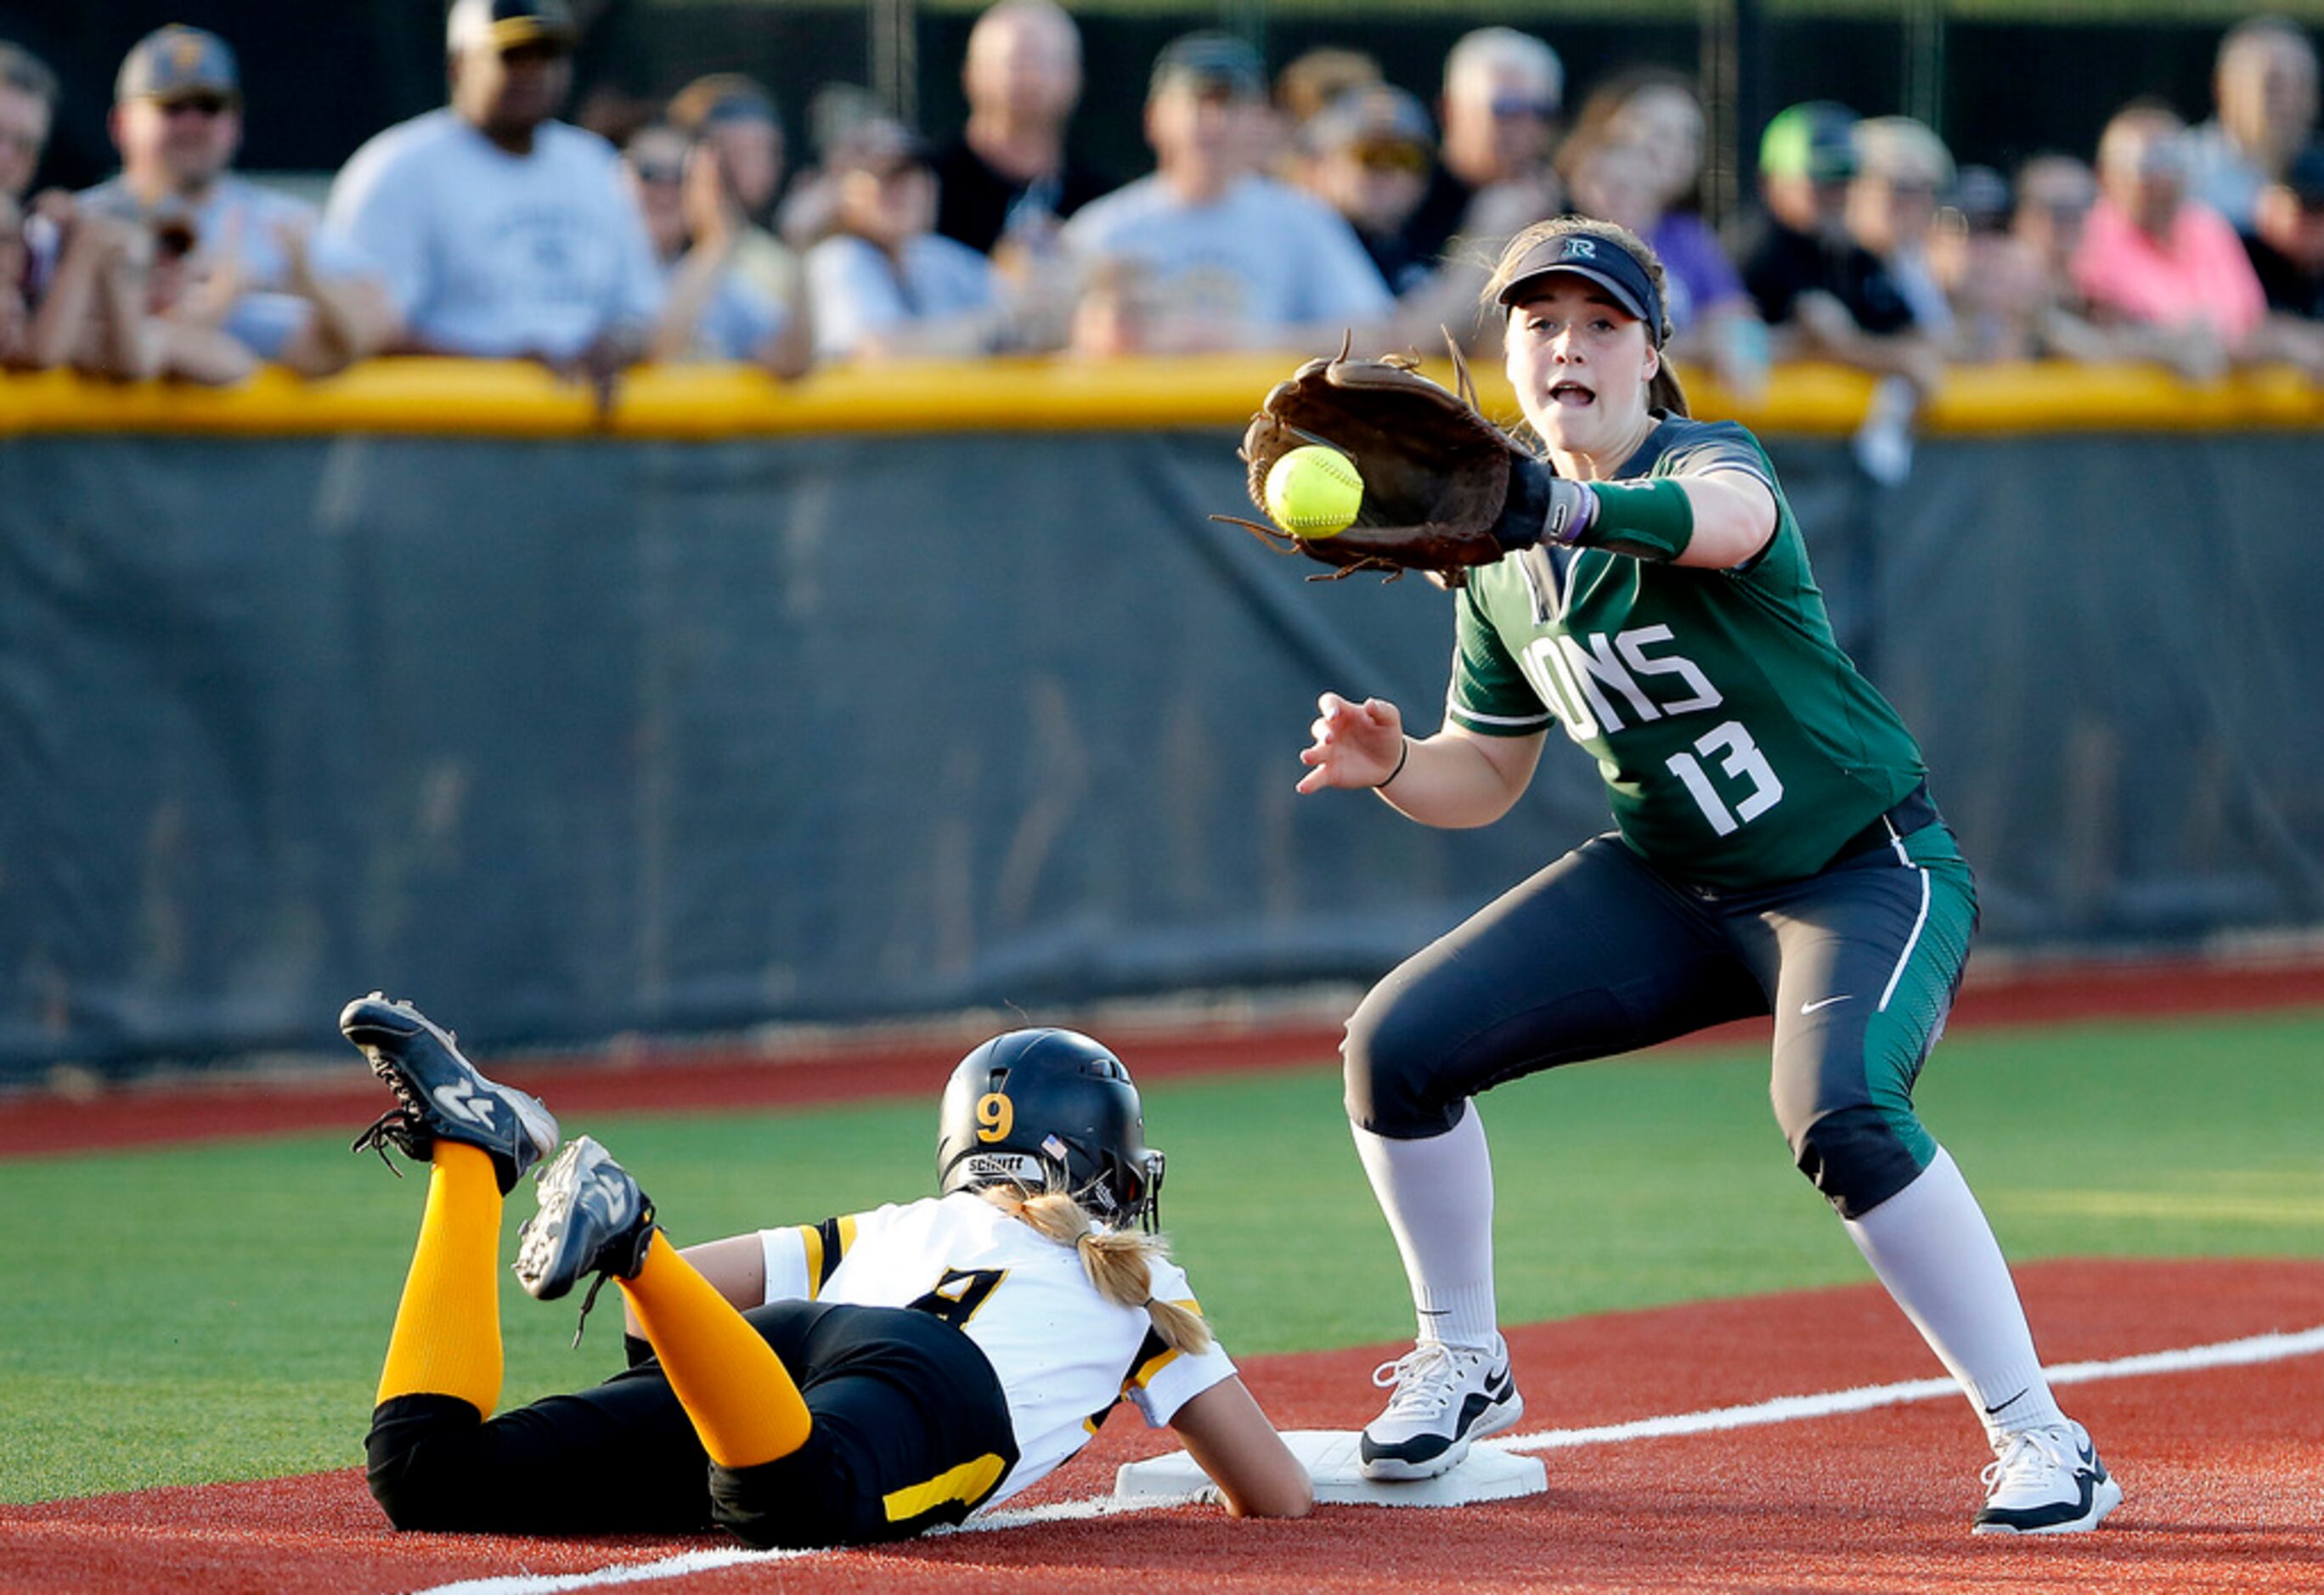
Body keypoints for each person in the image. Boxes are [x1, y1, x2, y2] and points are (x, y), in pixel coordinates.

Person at [1288, 215, 2121, 1535]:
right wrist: (1394, 760)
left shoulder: (1701, 456)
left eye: (1603, 324)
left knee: (1839, 1111)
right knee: (1393, 1045)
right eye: (1540, 322)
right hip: (1670, 883)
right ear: (1507, 351)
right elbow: (1486, 776)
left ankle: (2043, 1434)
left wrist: (1554, 504)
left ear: (1652, 355)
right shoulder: (1494, 554)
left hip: (1862, 868)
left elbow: (1725, 525)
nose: (1570, 345)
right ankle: (1466, 1357)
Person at [342, 993, 1311, 1546]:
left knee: (430, 1479)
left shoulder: (900, 1224)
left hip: (788, 1349)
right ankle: (632, 1241)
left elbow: (666, 1326)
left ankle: (473, 1156)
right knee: (793, 1505)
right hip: (932, 1386)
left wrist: (681, 1400)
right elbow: (1274, 1494)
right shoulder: (1138, 1284)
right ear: (1099, 1154)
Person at [321, 0, 662, 388]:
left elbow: (641, 313)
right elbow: (364, 328)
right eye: (512, 55)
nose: (534, 71)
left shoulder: (593, 164)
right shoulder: (400, 167)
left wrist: (613, 346)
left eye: (548, 54)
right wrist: (501, 368)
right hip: (442, 432)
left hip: (579, 434)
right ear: (460, 66)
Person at [1061, 32, 1390, 356]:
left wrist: (1252, 342)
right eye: (1199, 102)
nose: (1216, 122)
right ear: (1154, 118)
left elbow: (1373, 333)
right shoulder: (1104, 231)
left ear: (1258, 119)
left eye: (1231, 104)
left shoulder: (1302, 221)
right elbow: (1039, 345)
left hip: (1259, 410)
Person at [76, 25, 339, 369]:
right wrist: (217, 300)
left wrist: (309, 285)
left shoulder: (287, 224)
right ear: (121, 124)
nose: (193, 122)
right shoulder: (81, 225)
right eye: (173, 107)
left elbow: (371, 321)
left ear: (236, 122)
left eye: (209, 106)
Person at [1557, 67, 1764, 396]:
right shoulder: (1554, 228)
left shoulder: (1690, 236)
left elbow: (1745, 334)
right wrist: (1697, 346)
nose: (1678, 149)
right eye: (1660, 133)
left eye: (1691, 138)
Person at [2071, 100, 2268, 379]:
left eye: (2173, 161)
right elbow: (2109, 331)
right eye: (2148, 164)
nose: (2163, 180)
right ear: (2105, 175)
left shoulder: (2208, 227)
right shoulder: (2085, 236)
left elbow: (2252, 325)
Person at [623, 121, 810, 375]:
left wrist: (800, 245)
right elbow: (657, 355)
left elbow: (789, 361)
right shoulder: (599, 269)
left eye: (681, 177)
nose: (666, 190)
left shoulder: (716, 280)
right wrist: (715, 242)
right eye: (650, 173)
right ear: (619, 176)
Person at [804, 120, 1001, 362]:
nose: (907, 191)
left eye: (915, 175)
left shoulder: (936, 257)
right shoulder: (838, 259)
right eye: (888, 179)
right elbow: (877, 351)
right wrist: (987, 330)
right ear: (845, 190)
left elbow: (1022, 314)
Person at [934, 0, 1114, 259]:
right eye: (1014, 63)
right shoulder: (929, 190)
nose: (1031, 78)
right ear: (970, 74)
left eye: (1048, 62)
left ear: (1078, 77)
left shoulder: (1100, 205)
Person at [1402, 27, 1565, 271]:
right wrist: (1489, 237)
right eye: (1505, 109)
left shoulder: (1562, 204)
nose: (1526, 127)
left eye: (1541, 112)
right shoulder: (1406, 197)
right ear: (1450, 110)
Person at [2181, 15, 2318, 232]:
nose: (2290, 101)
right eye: (2273, 85)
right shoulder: (2179, 172)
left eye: (2302, 85)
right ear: (2224, 88)